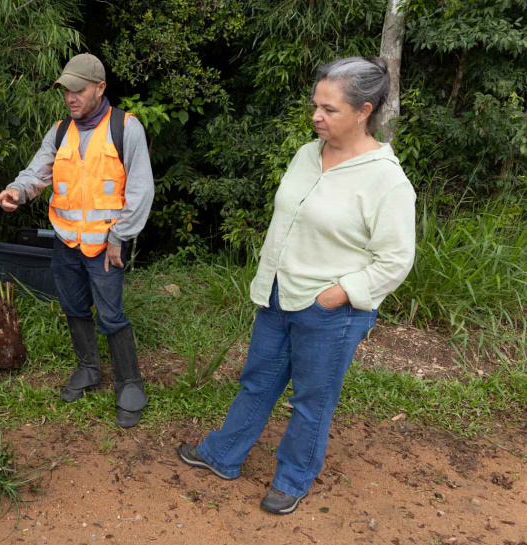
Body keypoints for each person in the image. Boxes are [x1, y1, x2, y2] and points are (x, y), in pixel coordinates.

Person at [178, 56, 417, 514]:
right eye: (315, 105)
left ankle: (293, 478)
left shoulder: (386, 180)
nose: (316, 116)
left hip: (331, 309)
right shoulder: (308, 154)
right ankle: (222, 454)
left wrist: (339, 293)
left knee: (312, 400)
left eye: (329, 109)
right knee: (257, 381)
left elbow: (395, 259)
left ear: (364, 111)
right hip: (278, 293)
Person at [0, 53, 155, 428]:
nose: (70, 98)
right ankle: (88, 369)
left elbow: (142, 190)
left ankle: (129, 383)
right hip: (65, 243)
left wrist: (120, 236)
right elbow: (38, 170)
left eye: (78, 90)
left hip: (105, 246)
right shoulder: (61, 130)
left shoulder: (125, 128)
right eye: (66, 91)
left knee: (111, 314)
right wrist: (18, 192)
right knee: (74, 308)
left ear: (100, 88)